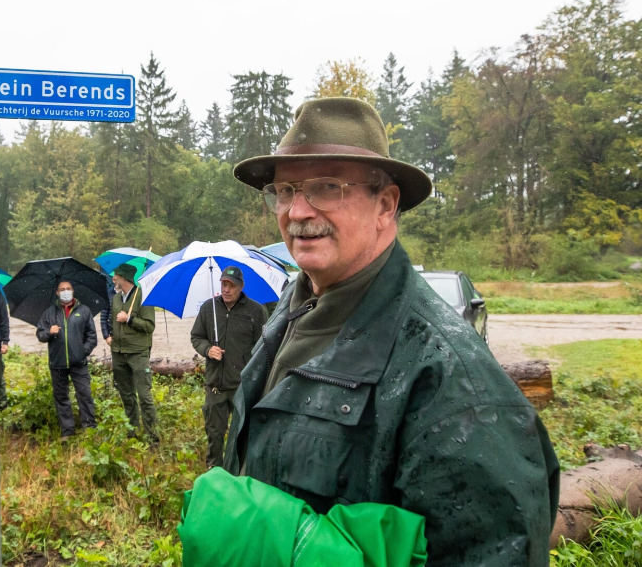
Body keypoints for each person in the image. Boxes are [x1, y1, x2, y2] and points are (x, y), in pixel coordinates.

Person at [224, 97, 559, 565]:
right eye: (285, 190)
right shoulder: (291, 309)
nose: (297, 210)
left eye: (325, 187)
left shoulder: (452, 377)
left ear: (385, 204)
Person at [190, 265, 266, 468]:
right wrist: (208, 349)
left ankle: (241, 473)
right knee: (214, 433)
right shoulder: (209, 308)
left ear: (241, 287)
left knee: (243, 434)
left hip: (243, 386)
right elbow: (196, 336)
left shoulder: (256, 311)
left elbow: (264, 347)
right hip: (216, 384)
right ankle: (214, 472)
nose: (226, 289)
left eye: (231, 285)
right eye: (223, 284)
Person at [35, 280, 98, 440]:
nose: (65, 291)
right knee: (61, 397)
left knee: (84, 395)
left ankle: (89, 429)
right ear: (57, 293)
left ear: (73, 291)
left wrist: (82, 352)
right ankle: (67, 431)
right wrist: (49, 332)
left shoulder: (84, 311)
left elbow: (92, 336)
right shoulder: (49, 312)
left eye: (68, 289)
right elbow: (40, 335)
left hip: (79, 363)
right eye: (62, 289)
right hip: (57, 363)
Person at [107, 263, 158, 444]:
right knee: (126, 396)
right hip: (118, 353)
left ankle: (153, 438)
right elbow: (112, 321)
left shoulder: (143, 296)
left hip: (138, 353)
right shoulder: (116, 298)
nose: (113, 279)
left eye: (116, 276)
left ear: (124, 278)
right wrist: (110, 336)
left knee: (144, 397)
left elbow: (149, 326)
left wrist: (129, 319)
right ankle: (133, 434)